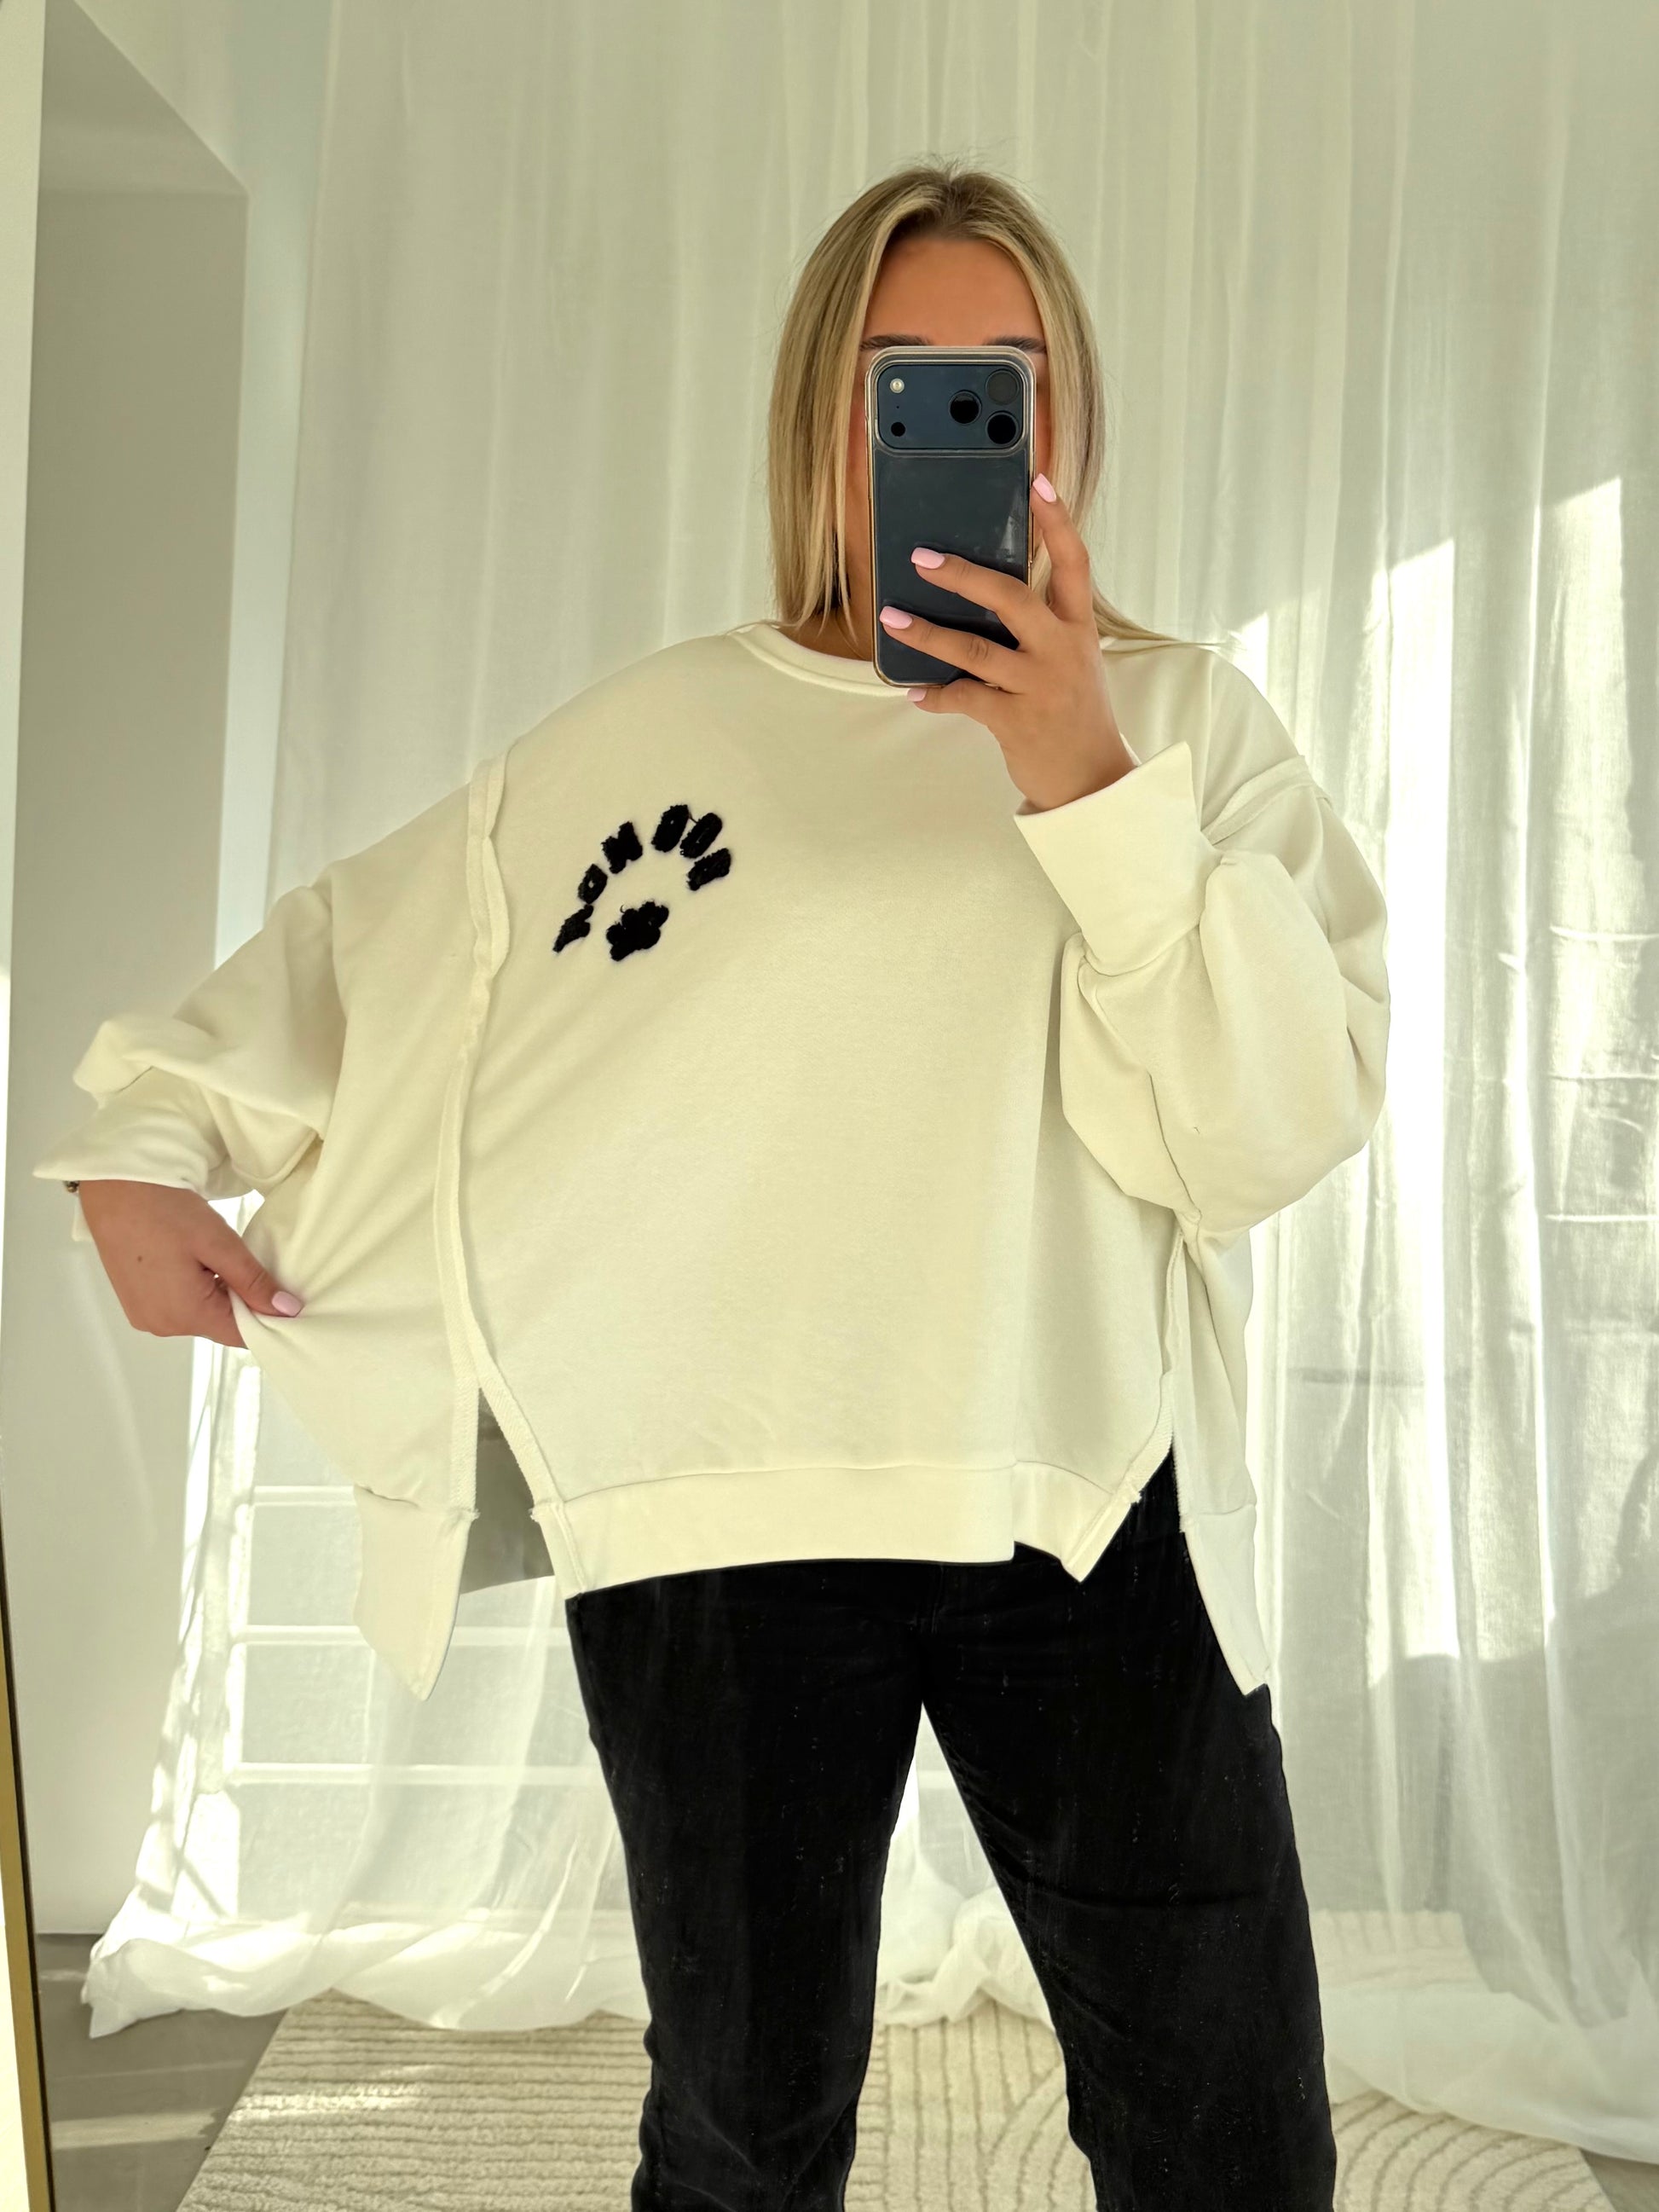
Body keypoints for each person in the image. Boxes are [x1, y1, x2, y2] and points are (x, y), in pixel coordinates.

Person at [38, 159, 1389, 2211]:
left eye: (1003, 380)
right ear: (822, 415)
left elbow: (1261, 1126)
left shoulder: (1185, 726)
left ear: (1065, 419)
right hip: (718, 1506)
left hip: (1083, 1487)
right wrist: (144, 1139)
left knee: (1230, 2132)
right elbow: (382, 950)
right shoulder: (658, 730)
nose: (953, 423)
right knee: (743, 2137)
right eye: (902, 379)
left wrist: (1084, 775)